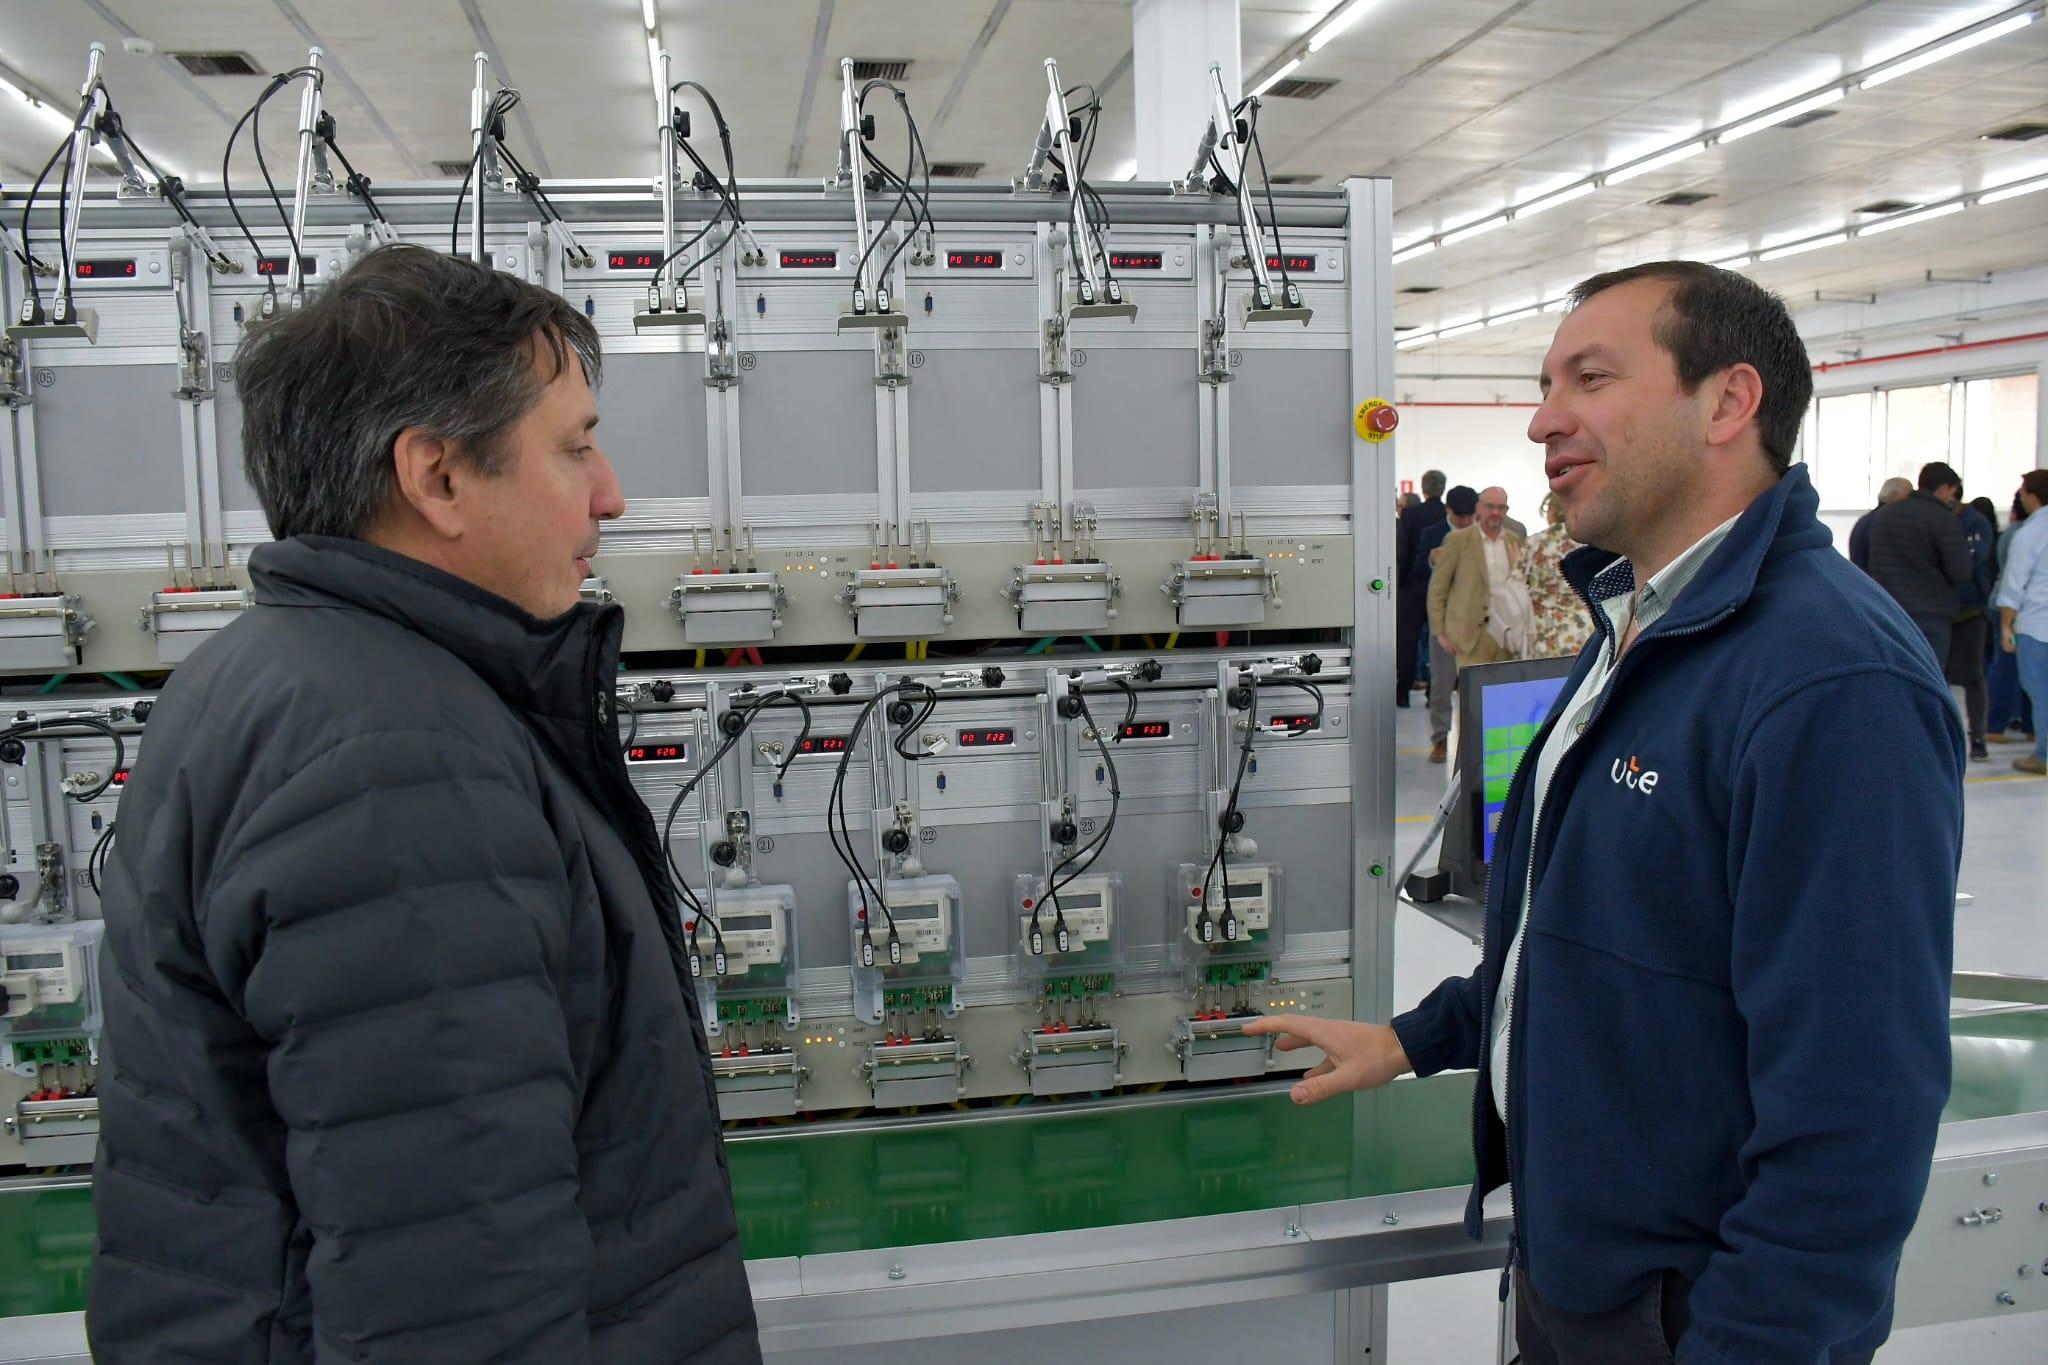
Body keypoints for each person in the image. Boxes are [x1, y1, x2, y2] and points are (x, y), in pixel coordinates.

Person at [1248, 260, 1960, 1365]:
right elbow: (1582, 930)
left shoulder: (1827, 681)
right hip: (1581, 1265)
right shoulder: (1633, 626)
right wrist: (1413, 1037)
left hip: (1689, 1313)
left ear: (1727, 402)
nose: (1541, 420)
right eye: (1543, 384)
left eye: (1587, 378)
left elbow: (1853, 1108)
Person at [88, 246, 760, 1362]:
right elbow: (458, 1290)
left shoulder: (278, 677)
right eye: (574, 447)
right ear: (437, 477)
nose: (610, 494)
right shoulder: (395, 764)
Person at [1866, 460, 1972, 665]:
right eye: (1953, 492)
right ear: (1942, 489)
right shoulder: (1943, 519)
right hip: (1931, 615)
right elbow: (1961, 571)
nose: (1953, 499)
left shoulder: (1884, 515)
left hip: (1887, 610)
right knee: (1929, 678)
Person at [1428, 484, 1531, 673]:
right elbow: (1438, 588)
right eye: (1490, 506)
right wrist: (1440, 632)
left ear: (1506, 510)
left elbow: (1525, 583)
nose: (1495, 512)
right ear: (1479, 508)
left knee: (1504, 691)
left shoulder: (1514, 541)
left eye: (1500, 508)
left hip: (1507, 635)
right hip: (1469, 634)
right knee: (1472, 696)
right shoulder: (1457, 540)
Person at [1417, 485, 1477, 762]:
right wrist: (1431, 559)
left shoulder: (1491, 533)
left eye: (1470, 516)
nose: (1466, 522)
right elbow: (1414, 571)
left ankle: (1473, 744)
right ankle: (1440, 740)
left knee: (1477, 685)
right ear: (1448, 511)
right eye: (1460, 517)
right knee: (1441, 687)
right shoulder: (1431, 533)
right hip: (1445, 624)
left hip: (1480, 625)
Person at [1995, 468, 2048, 776]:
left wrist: (2006, 627)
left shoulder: (2029, 532)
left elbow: (2014, 585)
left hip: (2036, 624)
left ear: (2032, 496)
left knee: (2040, 691)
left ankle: (2044, 754)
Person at [1948, 487, 1997, 759]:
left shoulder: (1975, 523)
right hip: (1942, 610)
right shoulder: (1937, 518)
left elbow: (1974, 563)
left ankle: (1977, 736)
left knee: (1973, 676)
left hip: (1969, 612)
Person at [1395, 471, 1448, 707]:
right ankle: (1432, 695)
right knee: (1439, 641)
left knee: (1407, 641)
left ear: (1424, 489)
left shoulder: (1410, 514)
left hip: (1413, 586)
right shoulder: (1447, 513)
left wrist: (1401, 582)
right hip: (1443, 587)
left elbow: (1403, 550)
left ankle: (1403, 693)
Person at [1988, 487, 2036, 745]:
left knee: (2025, 671)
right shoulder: (2021, 534)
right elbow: (2011, 578)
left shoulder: (2018, 533)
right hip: (2010, 610)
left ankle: (2027, 726)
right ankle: (1998, 725)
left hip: (2018, 609)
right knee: (2007, 668)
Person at [1523, 491, 1591, 659]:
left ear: (1551, 510)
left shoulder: (1535, 543)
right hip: (1585, 628)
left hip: (1545, 632)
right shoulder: (1589, 541)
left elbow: (1515, 585)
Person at [1849, 476, 1913, 570]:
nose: (1911, 501)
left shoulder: (1865, 520)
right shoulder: (1888, 523)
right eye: (1909, 496)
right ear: (1894, 495)